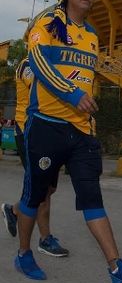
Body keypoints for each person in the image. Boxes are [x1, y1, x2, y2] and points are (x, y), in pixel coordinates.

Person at [13, 0, 122, 283]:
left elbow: (86, 79)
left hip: (81, 131)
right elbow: (39, 63)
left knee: (92, 198)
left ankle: (117, 268)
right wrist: (73, 94)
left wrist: (87, 104)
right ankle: (23, 253)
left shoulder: (91, 35)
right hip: (46, 126)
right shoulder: (48, 22)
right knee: (34, 196)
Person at [2, 16, 68, 259]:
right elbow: (43, 86)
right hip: (28, 131)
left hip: (46, 131)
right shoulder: (27, 64)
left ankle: (16, 209)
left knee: (48, 188)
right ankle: (45, 238)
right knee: (41, 188)